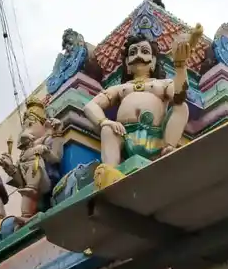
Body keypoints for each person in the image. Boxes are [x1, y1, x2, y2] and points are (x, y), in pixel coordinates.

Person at [83, 25, 202, 166]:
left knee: (181, 107)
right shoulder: (120, 89)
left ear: (153, 61)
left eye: (144, 51)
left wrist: (180, 66)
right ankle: (111, 171)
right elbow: (91, 105)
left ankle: (169, 148)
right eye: (133, 52)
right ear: (127, 63)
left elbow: (179, 97)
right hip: (124, 135)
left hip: (157, 135)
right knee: (107, 129)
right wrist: (104, 121)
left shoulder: (163, 84)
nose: (138, 55)